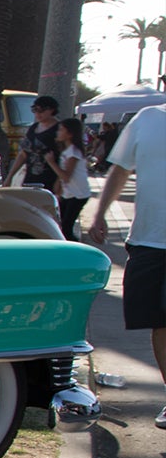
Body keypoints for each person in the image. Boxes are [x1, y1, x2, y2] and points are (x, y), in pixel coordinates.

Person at [87, 103, 166, 426]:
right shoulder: (147, 118)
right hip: (149, 240)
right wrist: (100, 211)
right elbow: (120, 169)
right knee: (159, 323)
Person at [7, 94, 61, 193]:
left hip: (50, 179)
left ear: (52, 110)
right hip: (30, 177)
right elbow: (23, 154)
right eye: (35, 110)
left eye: (42, 110)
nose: (38, 114)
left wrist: (59, 182)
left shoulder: (60, 130)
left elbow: (65, 158)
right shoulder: (33, 127)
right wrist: (10, 176)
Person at [54, 116, 91, 241]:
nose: (58, 133)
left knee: (66, 227)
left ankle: (77, 252)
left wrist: (51, 162)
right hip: (69, 193)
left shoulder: (74, 152)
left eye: (61, 130)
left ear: (69, 134)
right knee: (61, 226)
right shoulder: (66, 151)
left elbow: (66, 176)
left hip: (79, 194)